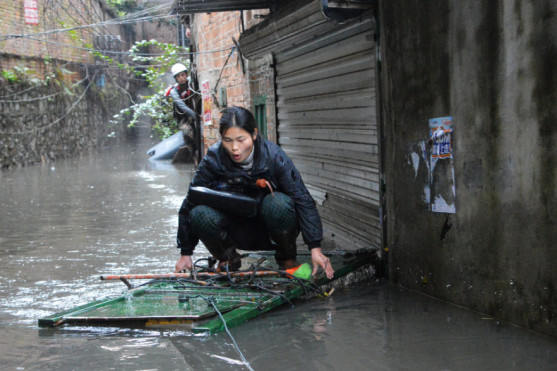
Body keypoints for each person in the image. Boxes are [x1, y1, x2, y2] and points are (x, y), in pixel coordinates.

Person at [174, 106, 334, 279]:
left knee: (278, 203)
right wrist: (185, 252)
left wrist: (315, 248)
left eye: (241, 139)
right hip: (234, 230)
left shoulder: (273, 156)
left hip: (270, 230)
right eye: (228, 140)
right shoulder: (213, 158)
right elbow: (190, 202)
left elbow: (303, 200)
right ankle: (229, 261)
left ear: (254, 134)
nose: (235, 148)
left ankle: (287, 261)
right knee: (198, 213)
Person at [165, 63, 198, 164]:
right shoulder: (174, 91)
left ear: (186, 75)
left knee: (197, 133)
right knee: (188, 134)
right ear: (176, 78)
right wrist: (197, 116)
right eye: (178, 76)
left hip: (194, 112)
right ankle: (195, 158)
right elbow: (182, 107)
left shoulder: (192, 84)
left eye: (183, 75)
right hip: (182, 117)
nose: (181, 78)